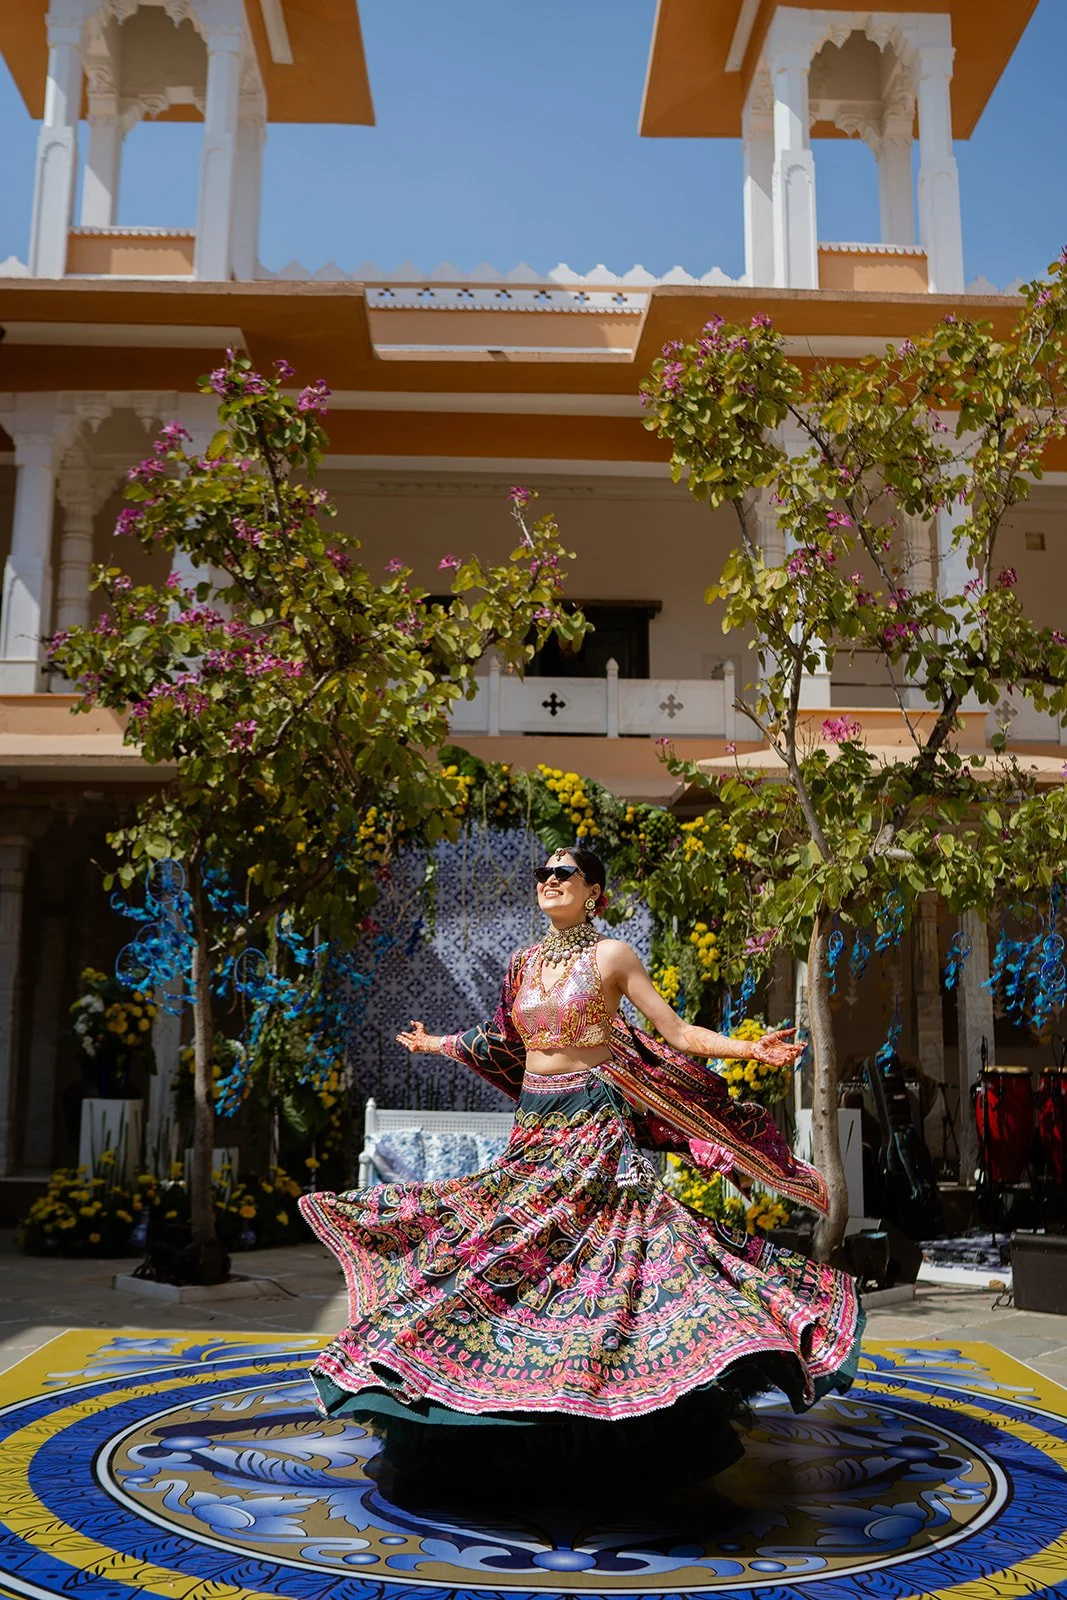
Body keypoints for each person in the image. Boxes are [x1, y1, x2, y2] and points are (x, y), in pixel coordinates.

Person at [299, 845, 863, 1491]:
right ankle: (493, 1394)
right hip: (534, 1124)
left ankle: (619, 1413)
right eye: (541, 873)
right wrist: (438, 1043)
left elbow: (674, 1034)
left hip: (595, 1121)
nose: (548, 882)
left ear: (593, 890)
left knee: (600, 1263)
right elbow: (504, 1040)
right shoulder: (523, 962)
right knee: (512, 1254)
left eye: (562, 873)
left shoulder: (612, 956)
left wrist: (745, 1047)